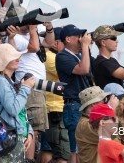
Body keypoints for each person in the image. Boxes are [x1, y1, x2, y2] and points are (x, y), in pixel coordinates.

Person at [5, 8, 54, 163]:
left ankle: (29, 158)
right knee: (32, 127)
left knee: (36, 129)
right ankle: (29, 159)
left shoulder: (28, 34)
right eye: (25, 20)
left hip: (37, 87)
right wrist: (33, 29)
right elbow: (34, 47)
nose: (29, 22)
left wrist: (49, 28)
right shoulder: (14, 39)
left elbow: (49, 43)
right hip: (29, 87)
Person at [0, 43, 35, 163]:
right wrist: (25, 88)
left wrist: (28, 132)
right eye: (13, 57)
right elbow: (13, 109)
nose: (18, 58)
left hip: (13, 137)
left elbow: (20, 112)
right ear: (4, 61)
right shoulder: (0, 81)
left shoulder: (8, 82)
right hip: (7, 139)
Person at [55, 24, 92, 163]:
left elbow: (89, 74)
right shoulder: (62, 56)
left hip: (84, 104)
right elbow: (83, 70)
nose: (81, 39)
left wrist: (86, 49)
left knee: (85, 147)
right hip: (74, 106)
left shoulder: (79, 56)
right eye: (78, 36)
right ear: (68, 39)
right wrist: (85, 46)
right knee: (75, 149)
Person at [39, 27, 70, 163]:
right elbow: (73, 72)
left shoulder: (53, 56)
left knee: (51, 150)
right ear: (56, 43)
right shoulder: (52, 58)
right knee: (58, 152)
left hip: (55, 107)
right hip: (55, 108)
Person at [75, 86, 117, 163]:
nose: (106, 102)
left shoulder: (97, 119)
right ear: (94, 104)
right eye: (104, 99)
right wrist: (112, 110)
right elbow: (112, 134)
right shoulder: (84, 125)